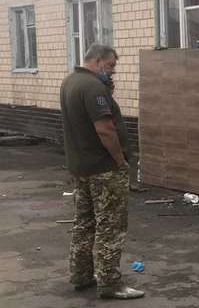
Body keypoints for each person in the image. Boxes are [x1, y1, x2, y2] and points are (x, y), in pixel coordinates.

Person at [59, 43, 143, 300]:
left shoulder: (70, 82)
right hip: (104, 169)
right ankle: (110, 283)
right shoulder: (93, 87)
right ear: (97, 60)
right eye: (111, 65)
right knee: (111, 226)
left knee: (84, 223)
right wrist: (120, 161)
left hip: (81, 166)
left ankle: (81, 275)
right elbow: (105, 129)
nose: (113, 71)